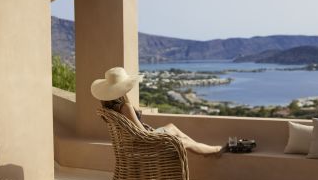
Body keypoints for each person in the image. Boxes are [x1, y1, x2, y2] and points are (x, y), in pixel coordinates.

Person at [91, 67, 223, 156]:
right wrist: (158, 134)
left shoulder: (109, 110)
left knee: (172, 128)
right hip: (146, 145)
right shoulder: (126, 107)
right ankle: (214, 150)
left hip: (132, 145)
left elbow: (134, 131)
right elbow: (142, 134)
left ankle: (208, 148)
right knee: (183, 141)